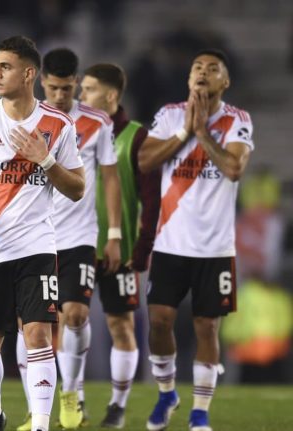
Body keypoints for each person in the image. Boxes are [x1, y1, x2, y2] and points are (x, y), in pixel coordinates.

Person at [0, 36, 85, 431]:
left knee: (39, 334)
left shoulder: (58, 126)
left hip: (37, 246)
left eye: (4, 66)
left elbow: (77, 188)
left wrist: (43, 159)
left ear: (28, 74)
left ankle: (41, 424)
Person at [138, 49, 253, 431]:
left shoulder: (237, 120)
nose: (203, 73)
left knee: (207, 327)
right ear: (189, 79)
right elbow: (145, 160)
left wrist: (203, 133)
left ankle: (200, 411)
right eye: (197, 68)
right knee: (158, 321)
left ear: (225, 81)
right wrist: (185, 130)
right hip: (171, 241)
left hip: (215, 247)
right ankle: (167, 391)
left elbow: (234, 168)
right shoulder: (170, 114)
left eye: (212, 69)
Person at [17, 48, 121, 430]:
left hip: (78, 235)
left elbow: (109, 177)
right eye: (54, 87)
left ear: (76, 83)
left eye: (67, 88)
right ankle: (34, 407)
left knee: (74, 314)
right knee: (27, 323)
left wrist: (114, 234)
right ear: (42, 81)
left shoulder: (96, 122)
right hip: (33, 234)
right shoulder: (29, 118)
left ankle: (71, 393)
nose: (60, 94)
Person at [78, 63, 161, 428]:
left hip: (120, 249)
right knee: (71, 319)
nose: (82, 95)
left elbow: (152, 200)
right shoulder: (73, 128)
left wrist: (140, 251)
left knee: (121, 325)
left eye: (90, 89)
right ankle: (74, 400)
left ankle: (117, 404)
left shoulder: (137, 138)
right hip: (75, 244)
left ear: (111, 95)